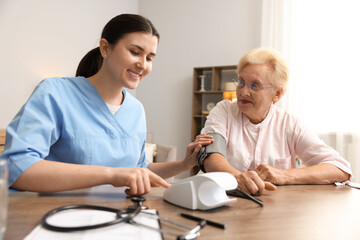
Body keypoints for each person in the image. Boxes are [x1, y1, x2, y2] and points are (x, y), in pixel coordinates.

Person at [0, 14, 213, 195]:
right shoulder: (55, 92)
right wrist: (113, 175)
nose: (143, 64)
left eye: (150, 57)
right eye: (135, 52)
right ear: (105, 48)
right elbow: (16, 166)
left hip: (119, 217)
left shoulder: (135, 110)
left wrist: (185, 164)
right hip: (57, 218)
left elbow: (138, 169)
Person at [199, 47, 351, 195]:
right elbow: (211, 156)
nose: (243, 92)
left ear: (277, 94)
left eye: (254, 85)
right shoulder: (223, 111)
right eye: (241, 82)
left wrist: (284, 175)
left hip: (269, 209)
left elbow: (340, 168)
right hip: (214, 199)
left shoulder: (290, 123)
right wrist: (238, 178)